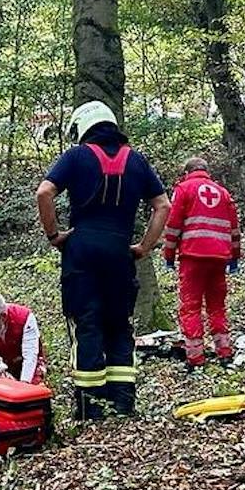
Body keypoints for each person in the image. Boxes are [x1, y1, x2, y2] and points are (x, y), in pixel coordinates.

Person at [36, 101, 168, 420]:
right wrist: (143, 247)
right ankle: (123, 404)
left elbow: (44, 193)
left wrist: (54, 236)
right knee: (119, 325)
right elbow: (162, 205)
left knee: (88, 323)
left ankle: (89, 407)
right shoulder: (136, 160)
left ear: (82, 128)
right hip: (120, 251)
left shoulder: (76, 156)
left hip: (82, 250)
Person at [162, 157, 242, 368]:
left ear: (187, 172)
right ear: (206, 171)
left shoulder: (184, 189)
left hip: (193, 257)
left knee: (190, 307)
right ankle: (224, 352)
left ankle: (196, 359)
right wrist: (234, 257)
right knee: (217, 306)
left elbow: (173, 226)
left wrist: (168, 255)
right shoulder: (223, 193)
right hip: (220, 258)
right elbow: (234, 228)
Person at [0, 292, 46, 385]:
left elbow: (30, 356)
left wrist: (24, 384)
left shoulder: (24, 318)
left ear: (3, 317)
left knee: (33, 388)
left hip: (25, 362)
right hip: (2, 365)